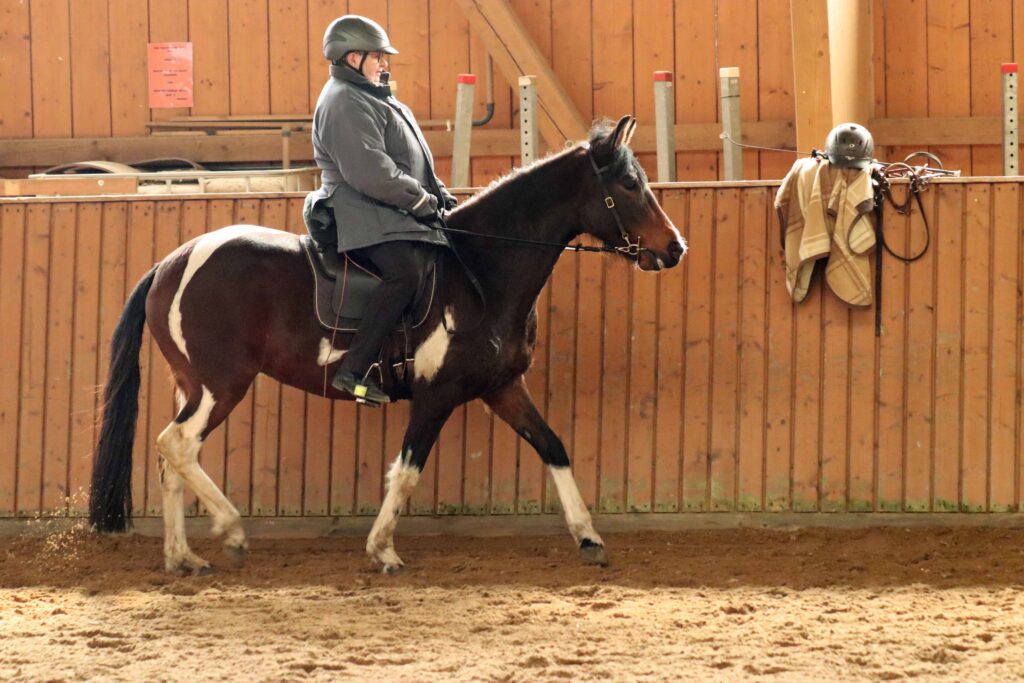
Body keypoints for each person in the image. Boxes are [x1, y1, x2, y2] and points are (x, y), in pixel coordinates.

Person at [311, 15, 457, 405]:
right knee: (405, 273)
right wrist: (420, 201)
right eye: (378, 57)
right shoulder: (343, 102)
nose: (384, 63)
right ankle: (353, 371)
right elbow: (371, 172)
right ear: (352, 57)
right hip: (364, 215)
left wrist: (439, 194)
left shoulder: (377, 97)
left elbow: (412, 160)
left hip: (393, 212)